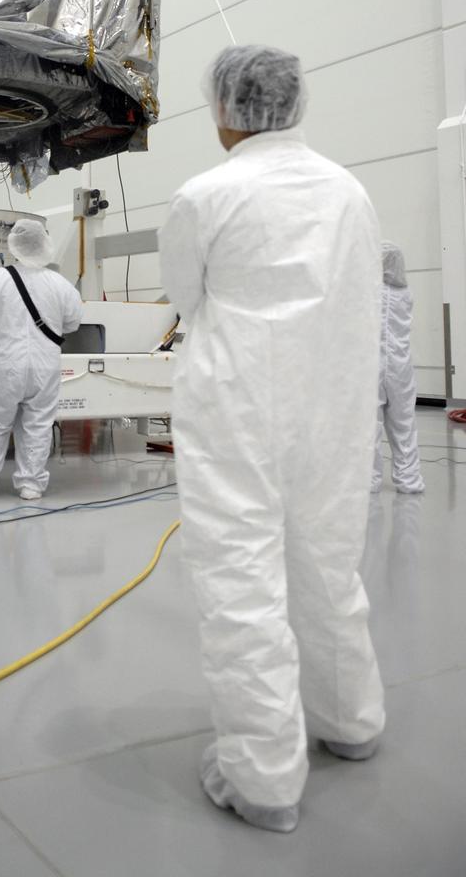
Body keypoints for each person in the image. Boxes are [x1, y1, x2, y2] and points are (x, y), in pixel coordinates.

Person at [158, 44, 385, 834]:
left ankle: (263, 778)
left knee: (241, 578)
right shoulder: (350, 193)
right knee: (329, 562)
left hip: (238, 410)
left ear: (226, 109)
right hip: (334, 405)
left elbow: (184, 295)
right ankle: (351, 721)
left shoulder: (206, 194)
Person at [0, 218, 83, 501]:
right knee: (39, 424)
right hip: (45, 365)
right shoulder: (60, 285)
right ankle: (31, 485)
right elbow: (73, 322)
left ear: (13, 246)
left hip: (7, 362)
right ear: (45, 246)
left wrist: (3, 329)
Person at [373, 241, 425, 494]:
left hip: (372, 366)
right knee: (404, 424)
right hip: (401, 368)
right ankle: (410, 481)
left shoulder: (370, 293)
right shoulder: (406, 294)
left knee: (370, 428)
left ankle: (369, 481)